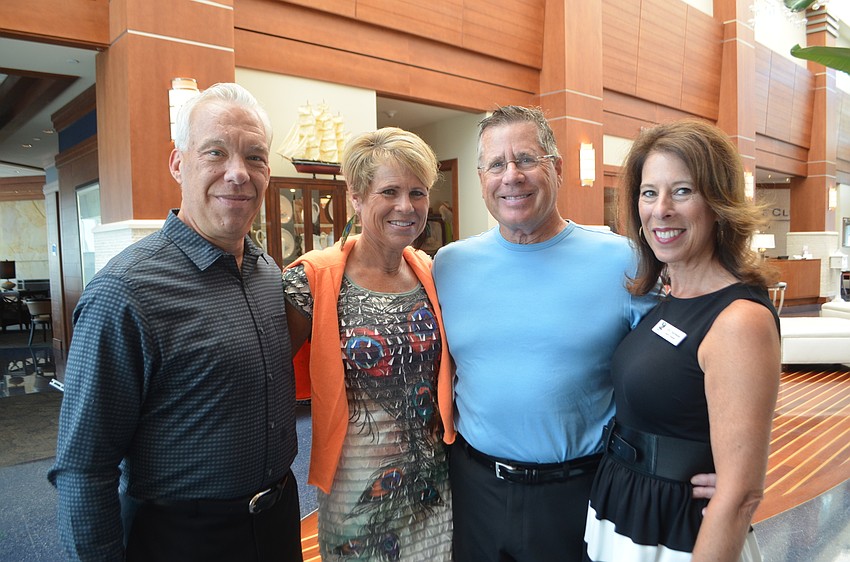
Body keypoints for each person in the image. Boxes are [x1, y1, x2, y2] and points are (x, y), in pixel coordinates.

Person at [432, 105, 716, 562]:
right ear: (481, 177)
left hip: (580, 491)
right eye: (496, 165)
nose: (512, 176)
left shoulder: (623, 261)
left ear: (557, 169)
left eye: (526, 159)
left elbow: (684, 363)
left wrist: (716, 457)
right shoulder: (449, 265)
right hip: (476, 490)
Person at [48, 83, 303, 561]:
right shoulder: (124, 292)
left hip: (277, 520)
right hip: (180, 538)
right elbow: (84, 467)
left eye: (255, 157)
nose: (238, 174)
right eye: (215, 153)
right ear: (178, 163)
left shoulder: (269, 274)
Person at [584, 119, 780, 561]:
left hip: (675, 534)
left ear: (719, 203)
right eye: (649, 193)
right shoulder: (667, 299)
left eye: (683, 191)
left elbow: (739, 496)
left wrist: (736, 486)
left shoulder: (739, 321)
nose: (662, 210)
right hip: (627, 511)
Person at [283, 127, 454, 560]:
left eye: (417, 192)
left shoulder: (431, 273)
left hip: (433, 482)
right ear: (356, 197)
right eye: (389, 191)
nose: (406, 206)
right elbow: (266, 374)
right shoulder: (312, 280)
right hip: (354, 485)